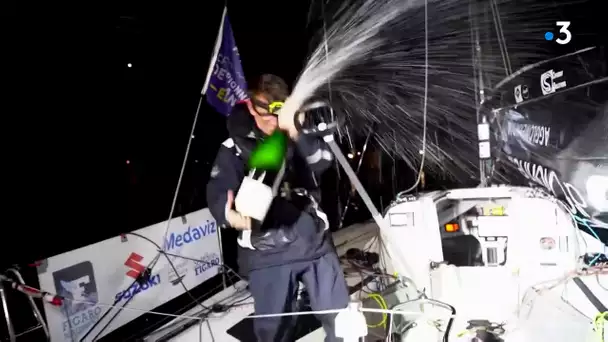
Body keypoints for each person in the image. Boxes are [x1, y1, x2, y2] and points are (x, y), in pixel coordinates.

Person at [206, 74, 350, 342]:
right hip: (266, 253)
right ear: (250, 106)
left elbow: (322, 163)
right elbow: (218, 190)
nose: (272, 119)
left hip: (314, 244)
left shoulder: (298, 133)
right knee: (273, 333)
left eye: (278, 109)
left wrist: (296, 131)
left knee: (343, 323)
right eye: (265, 110)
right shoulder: (233, 147)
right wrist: (231, 216)